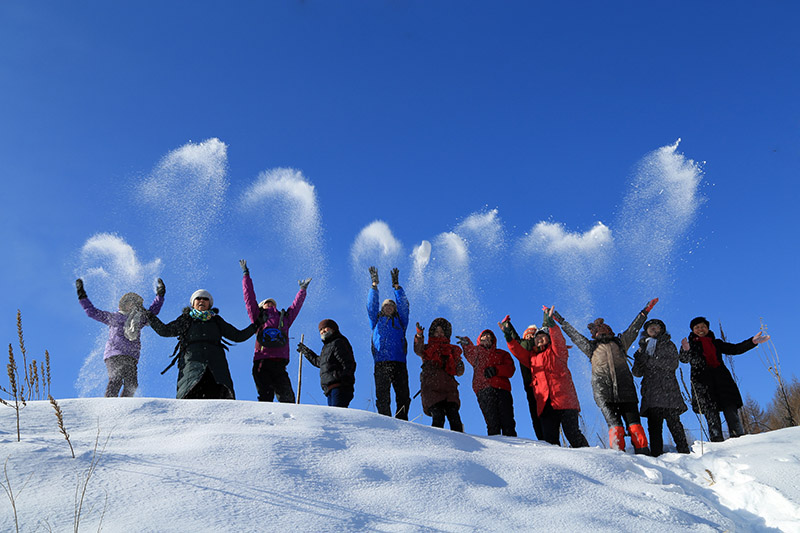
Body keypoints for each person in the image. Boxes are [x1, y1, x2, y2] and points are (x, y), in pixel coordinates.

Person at [556, 298, 659, 454]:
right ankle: (619, 458)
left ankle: (644, 454)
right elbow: (574, 335)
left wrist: (645, 311)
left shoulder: (620, 342)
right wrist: (560, 320)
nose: (602, 332)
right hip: (604, 394)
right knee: (615, 428)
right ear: (594, 335)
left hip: (627, 392)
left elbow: (634, 328)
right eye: (599, 331)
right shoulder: (590, 347)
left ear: (611, 332)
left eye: (605, 330)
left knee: (635, 426)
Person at [147, 289, 259, 400]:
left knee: (222, 400)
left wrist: (256, 325)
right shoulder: (186, 319)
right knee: (189, 395)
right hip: (191, 363)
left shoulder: (216, 320)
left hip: (216, 364)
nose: (202, 301)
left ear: (209, 304)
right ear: (193, 303)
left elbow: (237, 336)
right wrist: (150, 317)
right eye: (198, 298)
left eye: (205, 299)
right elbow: (165, 331)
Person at [501, 307, 588, 447]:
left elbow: (557, 338)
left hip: (564, 401)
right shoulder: (532, 358)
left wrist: (551, 324)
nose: (539, 339)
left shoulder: (558, 351)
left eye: (542, 336)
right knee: (550, 442)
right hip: (545, 404)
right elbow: (517, 350)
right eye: (537, 337)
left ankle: (591, 460)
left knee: (573, 435)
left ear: (548, 338)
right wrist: (508, 337)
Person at [679, 316, 769, 442]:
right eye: (697, 327)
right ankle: (718, 446)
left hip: (723, 383)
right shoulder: (690, 345)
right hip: (703, 385)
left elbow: (735, 349)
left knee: (731, 413)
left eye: (703, 326)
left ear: (708, 329)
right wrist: (685, 350)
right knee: (712, 418)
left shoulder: (716, 343)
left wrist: (752, 342)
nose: (700, 329)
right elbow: (683, 359)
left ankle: (739, 441)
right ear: (693, 330)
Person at [77, 277, 165, 398]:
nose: (133, 305)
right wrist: (82, 295)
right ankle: (108, 405)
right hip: (114, 354)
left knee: (132, 383)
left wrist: (160, 295)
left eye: (135, 303)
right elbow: (92, 312)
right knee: (116, 379)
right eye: (130, 302)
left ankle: (124, 407)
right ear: (124, 304)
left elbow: (153, 311)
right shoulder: (114, 317)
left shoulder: (139, 319)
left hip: (131, 356)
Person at [240, 259, 310, 403]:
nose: (269, 303)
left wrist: (302, 291)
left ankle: (291, 423)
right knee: (265, 397)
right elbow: (249, 297)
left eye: (272, 302)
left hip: (279, 363)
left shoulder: (283, 318)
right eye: (266, 302)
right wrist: (246, 275)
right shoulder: (257, 316)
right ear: (261, 306)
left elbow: (296, 307)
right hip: (262, 360)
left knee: (287, 398)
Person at [632, 318, 690, 455]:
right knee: (654, 427)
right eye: (650, 327)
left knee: (675, 424)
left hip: (669, 391)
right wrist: (639, 359)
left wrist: (649, 360)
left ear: (661, 330)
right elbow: (637, 373)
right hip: (651, 393)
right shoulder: (643, 348)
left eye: (656, 327)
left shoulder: (668, 344)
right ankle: (656, 455)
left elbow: (672, 364)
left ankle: (685, 453)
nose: (653, 329)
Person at [367, 266, 411, 419]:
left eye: (391, 306)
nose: (388, 308)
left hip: (399, 362)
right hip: (381, 362)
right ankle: (385, 420)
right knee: (383, 396)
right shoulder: (376, 320)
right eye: (386, 305)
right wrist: (374, 285)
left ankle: (402, 420)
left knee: (403, 395)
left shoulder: (401, 321)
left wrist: (397, 287)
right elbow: (371, 306)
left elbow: (405, 306)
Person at [457, 329, 517, 436]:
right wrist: (466, 343)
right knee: (492, 423)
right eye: (483, 338)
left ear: (493, 341)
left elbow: (510, 369)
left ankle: (513, 448)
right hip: (484, 390)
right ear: (479, 341)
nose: (486, 340)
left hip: (502, 390)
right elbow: (470, 352)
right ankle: (496, 449)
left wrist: (496, 370)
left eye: (489, 338)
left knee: (508, 422)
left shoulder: (502, 353)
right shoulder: (477, 354)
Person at [414, 318, 464, 432]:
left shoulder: (452, 350)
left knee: (454, 416)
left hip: (449, 389)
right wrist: (419, 335)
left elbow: (459, 371)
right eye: (436, 331)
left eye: (441, 331)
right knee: (438, 416)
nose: (439, 333)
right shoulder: (427, 348)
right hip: (432, 388)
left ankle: (462, 445)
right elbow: (418, 349)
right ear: (432, 333)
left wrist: (460, 364)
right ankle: (437, 444)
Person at [498, 319, 544, 439]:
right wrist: (507, 325)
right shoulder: (522, 344)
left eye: (532, 334)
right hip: (529, 382)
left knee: (544, 412)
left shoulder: (537, 347)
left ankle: (547, 435)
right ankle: (541, 437)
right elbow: (513, 338)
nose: (529, 336)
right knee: (534, 411)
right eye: (527, 334)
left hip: (541, 380)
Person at [296, 319, 357, 408]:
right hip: (329, 388)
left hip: (340, 386)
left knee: (337, 416)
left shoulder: (339, 342)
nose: (322, 331)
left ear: (333, 329)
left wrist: (345, 379)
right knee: (333, 416)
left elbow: (349, 363)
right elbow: (320, 362)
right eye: (320, 329)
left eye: (325, 328)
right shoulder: (326, 347)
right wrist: (307, 352)